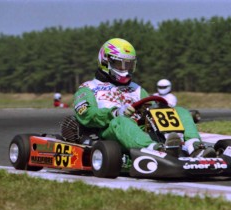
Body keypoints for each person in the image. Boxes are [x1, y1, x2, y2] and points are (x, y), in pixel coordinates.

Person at [73, 38, 214, 157]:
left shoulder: (137, 89)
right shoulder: (88, 88)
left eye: (128, 65)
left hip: (141, 130)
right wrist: (115, 113)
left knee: (179, 111)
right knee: (122, 121)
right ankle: (154, 150)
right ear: (105, 62)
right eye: (120, 64)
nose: (125, 69)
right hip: (110, 132)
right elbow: (86, 115)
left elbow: (152, 110)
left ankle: (193, 146)